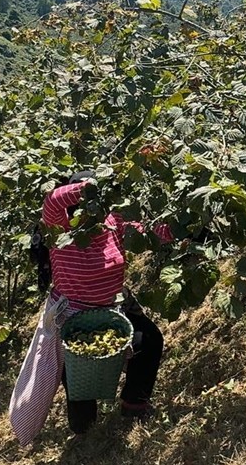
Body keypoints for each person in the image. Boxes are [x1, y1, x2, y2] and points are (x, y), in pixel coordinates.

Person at [36, 171, 171, 433]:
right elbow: (52, 200)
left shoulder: (112, 221)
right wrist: (95, 186)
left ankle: (134, 405)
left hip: (113, 310)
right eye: (87, 198)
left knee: (149, 340)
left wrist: (182, 229)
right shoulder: (59, 228)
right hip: (73, 319)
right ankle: (85, 432)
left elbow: (148, 232)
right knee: (79, 380)